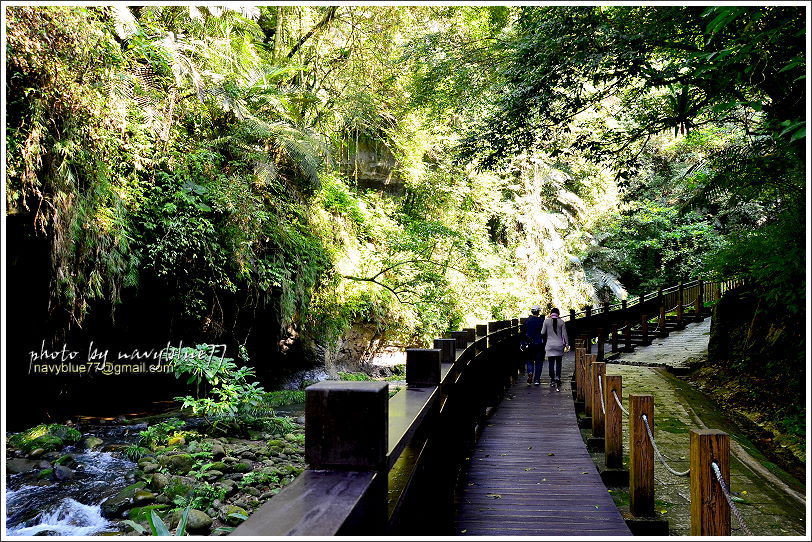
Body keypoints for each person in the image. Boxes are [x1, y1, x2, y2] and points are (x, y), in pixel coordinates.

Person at [541, 307, 569, 391]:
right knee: (559, 362)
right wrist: (567, 344)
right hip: (559, 345)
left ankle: (552, 379)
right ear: (558, 314)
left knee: (551, 363)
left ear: (551, 313)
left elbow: (542, 332)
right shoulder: (561, 322)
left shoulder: (546, 321)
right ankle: (558, 377)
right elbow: (564, 334)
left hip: (550, 345)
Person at [523, 305, 545, 385]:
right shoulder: (541, 321)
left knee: (529, 360)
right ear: (539, 312)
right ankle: (536, 379)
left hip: (529, 344)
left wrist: (523, 343)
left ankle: (530, 373)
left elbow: (523, 333)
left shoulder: (526, 321)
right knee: (539, 362)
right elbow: (544, 333)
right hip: (539, 344)